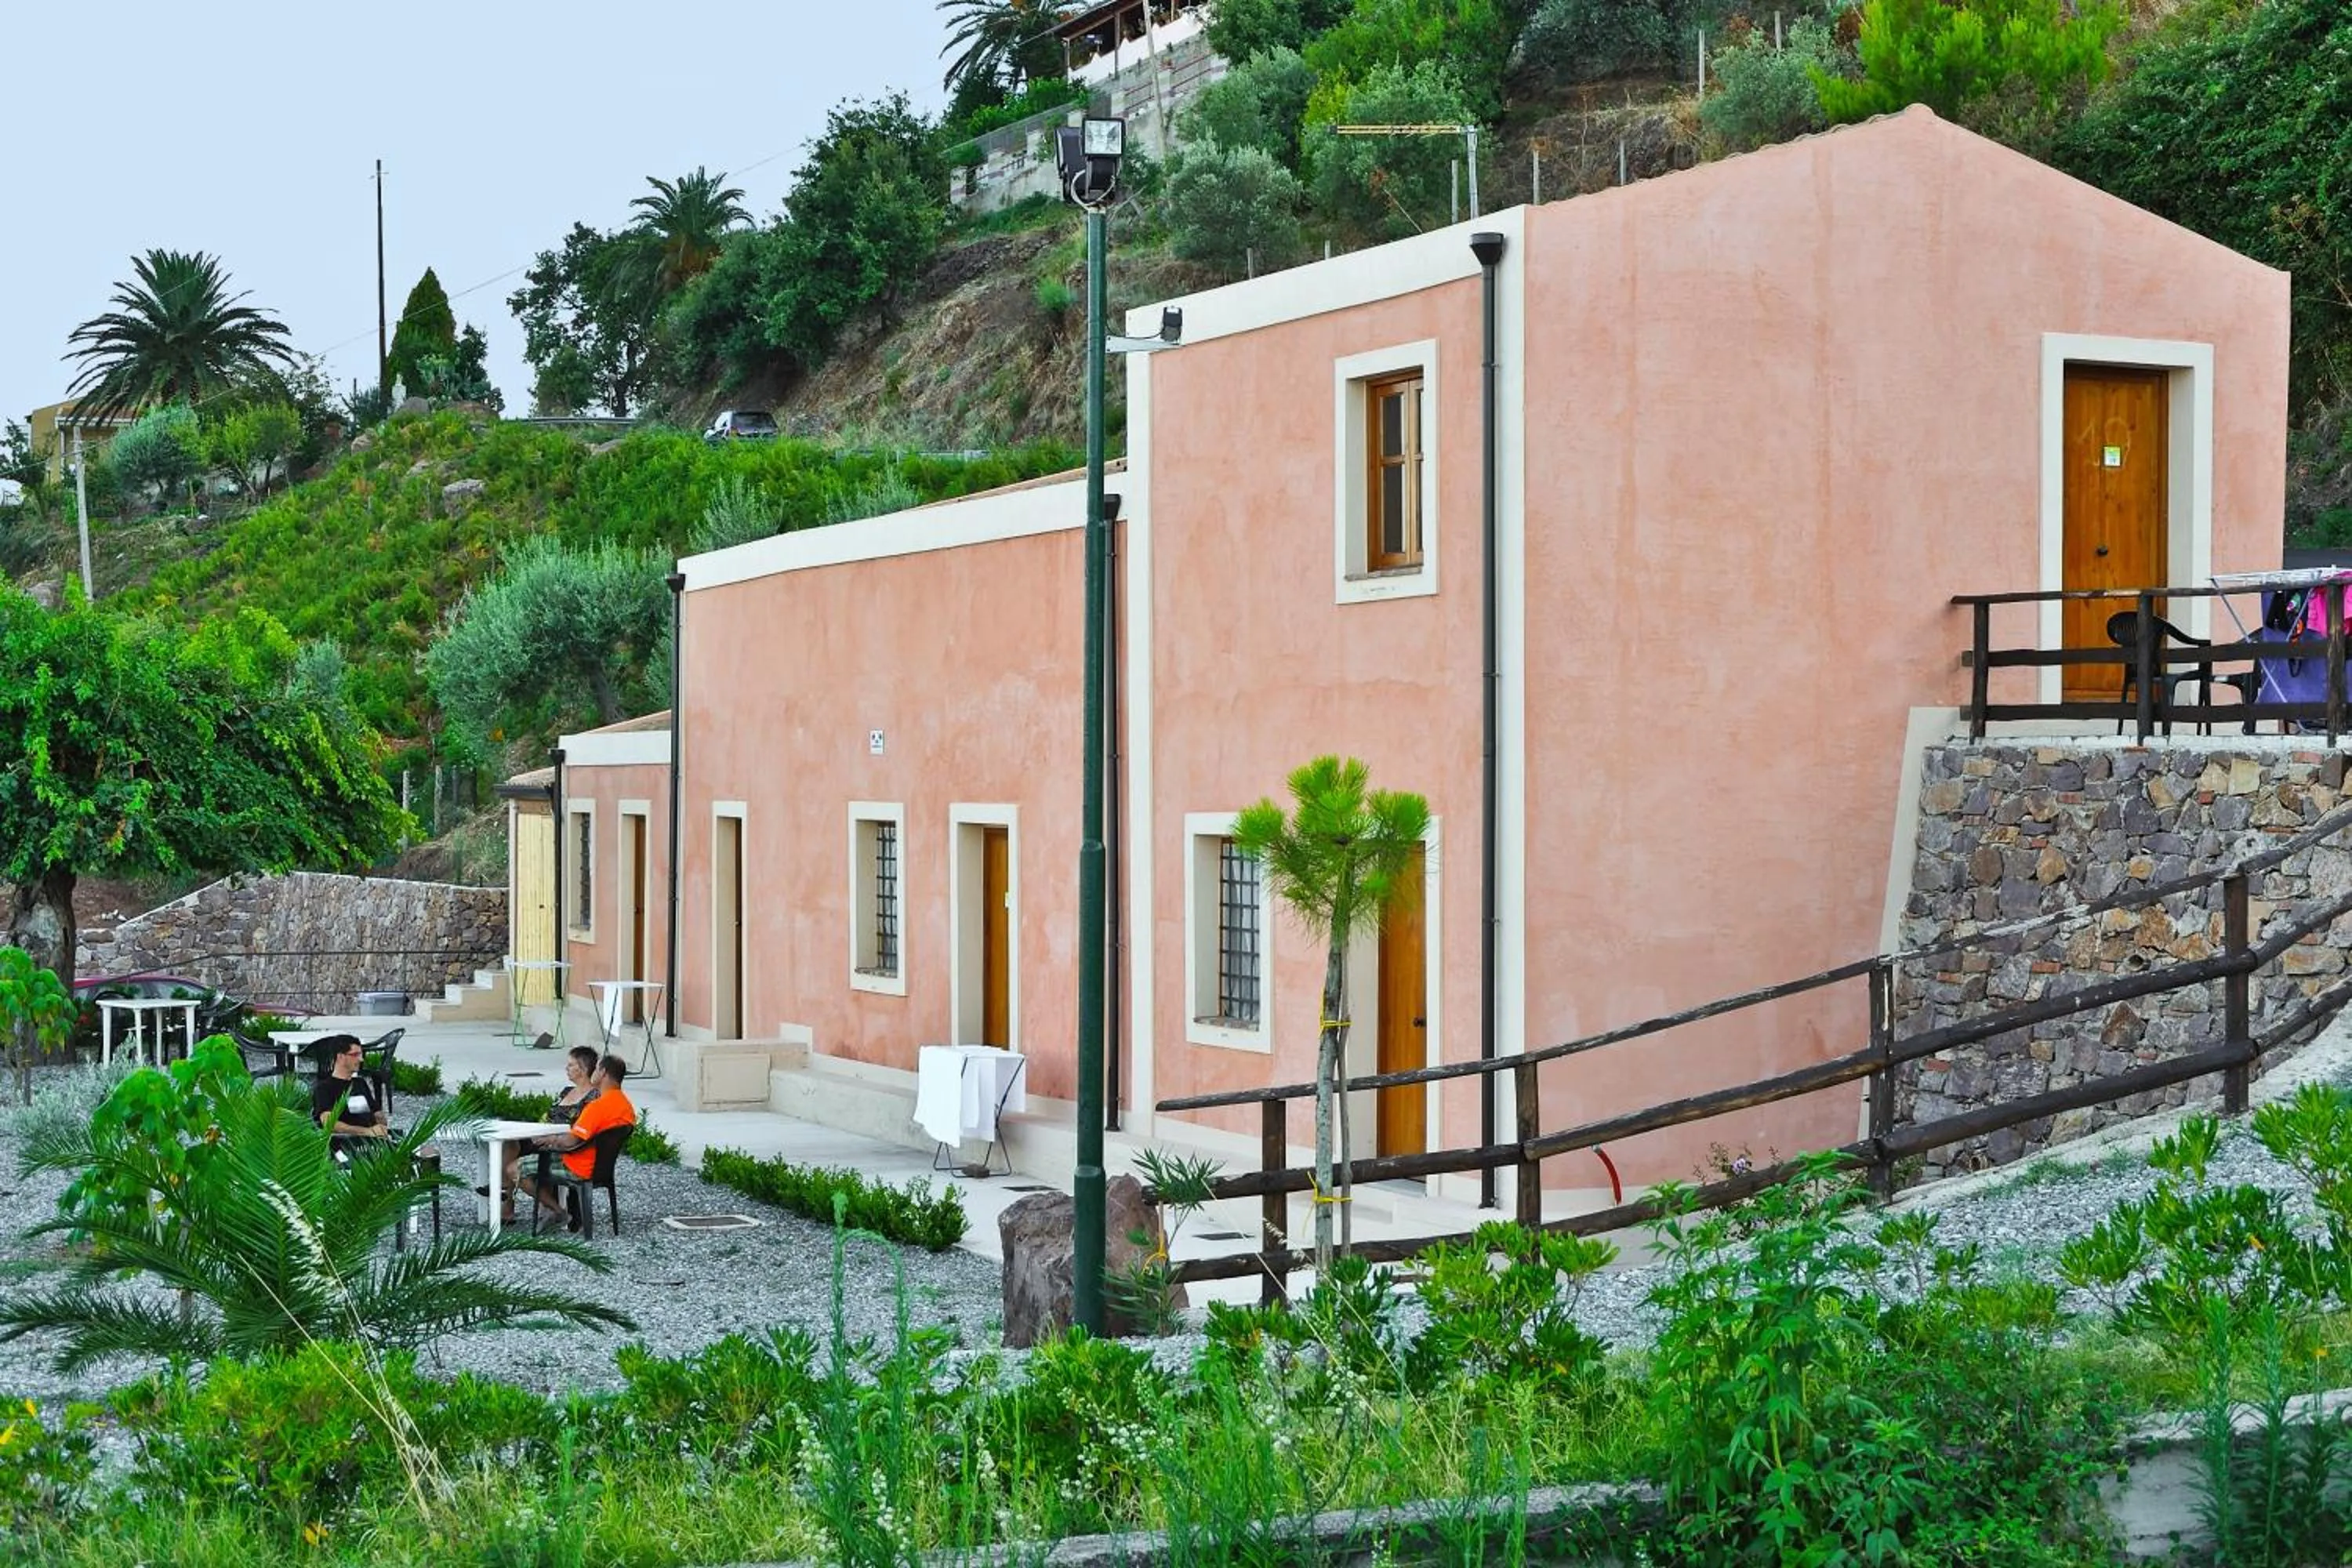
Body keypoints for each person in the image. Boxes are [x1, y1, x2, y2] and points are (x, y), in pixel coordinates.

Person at [479, 1046, 601, 1220]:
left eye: (571, 1065)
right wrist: (539, 1130)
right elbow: (547, 1116)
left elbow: (581, 1131)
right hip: (544, 1138)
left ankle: (547, 1207)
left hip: (561, 1146)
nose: (566, 1069)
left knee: (512, 1162)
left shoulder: (593, 1097)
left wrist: (552, 1138)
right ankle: (504, 1194)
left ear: (583, 1069)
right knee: (510, 1142)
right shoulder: (567, 1091)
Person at [517, 1054, 636, 1227]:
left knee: (515, 1169)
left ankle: (558, 1211)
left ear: (603, 1073)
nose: (594, 1072)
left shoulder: (597, 1107)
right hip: (602, 1168)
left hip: (578, 1166)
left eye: (596, 1069)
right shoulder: (626, 1106)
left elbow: (571, 1141)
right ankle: (558, 1211)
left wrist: (551, 1139)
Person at [310, 1036, 388, 1142]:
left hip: (373, 1141)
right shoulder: (324, 1088)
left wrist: (381, 1126)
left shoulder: (360, 1083)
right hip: (345, 1143)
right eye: (355, 1055)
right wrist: (367, 1132)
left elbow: (376, 1112)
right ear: (340, 1057)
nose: (361, 1059)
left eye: (360, 1055)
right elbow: (329, 1123)